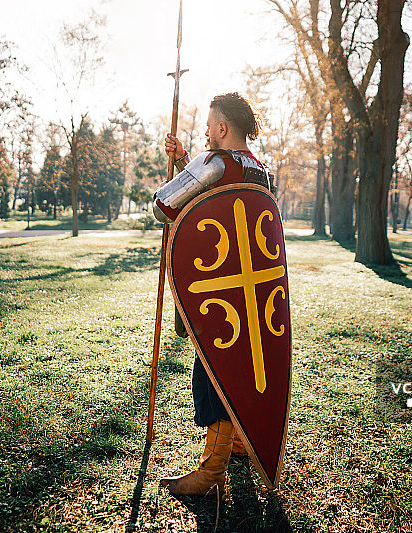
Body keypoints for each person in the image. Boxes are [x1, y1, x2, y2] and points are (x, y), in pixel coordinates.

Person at [153, 92, 275, 497]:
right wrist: (188, 159)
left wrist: (183, 170)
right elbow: (222, 194)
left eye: (209, 126)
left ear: (222, 129)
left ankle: (211, 473)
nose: (206, 131)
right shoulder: (261, 172)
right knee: (240, 365)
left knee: (212, 373)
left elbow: (163, 206)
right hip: (251, 299)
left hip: (219, 292)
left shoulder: (214, 163)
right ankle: (239, 442)